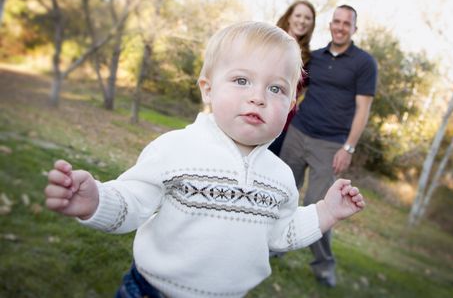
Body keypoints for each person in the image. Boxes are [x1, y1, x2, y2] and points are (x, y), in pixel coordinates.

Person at [44, 21, 366, 298]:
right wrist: (96, 201)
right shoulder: (177, 149)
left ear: (292, 104)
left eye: (276, 88)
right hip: (151, 291)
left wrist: (326, 211)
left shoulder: (279, 177)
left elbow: (281, 233)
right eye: (242, 80)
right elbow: (132, 203)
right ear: (208, 90)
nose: (258, 96)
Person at [279, 5, 378, 287]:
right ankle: (275, 247)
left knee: (319, 205)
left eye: (347, 23)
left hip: (330, 144)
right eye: (336, 21)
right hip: (298, 133)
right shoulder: (316, 58)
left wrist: (348, 148)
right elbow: (294, 86)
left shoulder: (364, 63)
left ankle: (324, 266)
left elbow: (363, 110)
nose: (340, 26)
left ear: (354, 29)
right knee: (283, 193)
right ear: (330, 25)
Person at [268, 0, 316, 156]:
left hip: (283, 122)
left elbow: (300, 91)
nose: (302, 21)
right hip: (258, 105)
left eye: (307, 18)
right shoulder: (269, 40)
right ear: (289, 17)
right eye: (298, 15)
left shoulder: (309, 57)